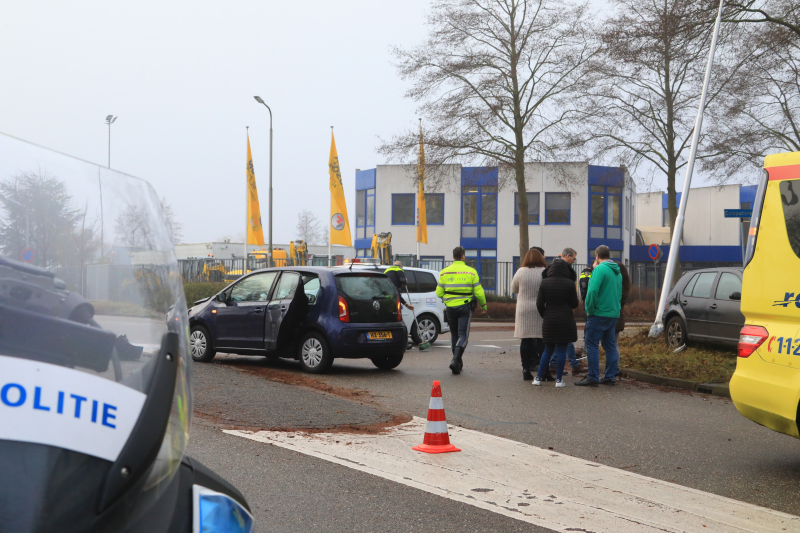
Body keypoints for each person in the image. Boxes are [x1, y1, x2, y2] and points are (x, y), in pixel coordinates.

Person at [576, 245, 623, 387]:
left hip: (599, 313)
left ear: (597, 256)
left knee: (591, 344)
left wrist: (589, 309)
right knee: (610, 346)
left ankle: (593, 376)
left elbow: (592, 291)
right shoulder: (617, 272)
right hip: (613, 313)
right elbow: (619, 293)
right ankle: (610, 377)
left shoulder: (599, 269)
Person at [436, 246, 487, 374]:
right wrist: (484, 306)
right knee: (463, 334)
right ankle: (456, 359)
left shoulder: (444, 272)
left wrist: (448, 299)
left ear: (453, 257)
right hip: (465, 307)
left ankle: (457, 362)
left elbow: (438, 292)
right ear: (463, 256)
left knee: (454, 334)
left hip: (450, 308)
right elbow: (479, 292)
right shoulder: (471, 272)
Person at [533, 255, 579, 387]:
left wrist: (545, 315)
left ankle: (537, 378)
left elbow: (539, 304)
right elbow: (574, 303)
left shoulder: (545, 282)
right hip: (565, 319)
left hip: (549, 319)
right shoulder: (569, 283)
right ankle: (559, 380)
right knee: (561, 350)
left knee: (547, 350)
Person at [511, 247, 546, 381]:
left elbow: (514, 289)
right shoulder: (544, 272)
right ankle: (543, 370)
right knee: (542, 340)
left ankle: (526, 369)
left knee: (525, 340)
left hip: (523, 309)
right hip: (540, 308)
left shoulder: (520, 271)